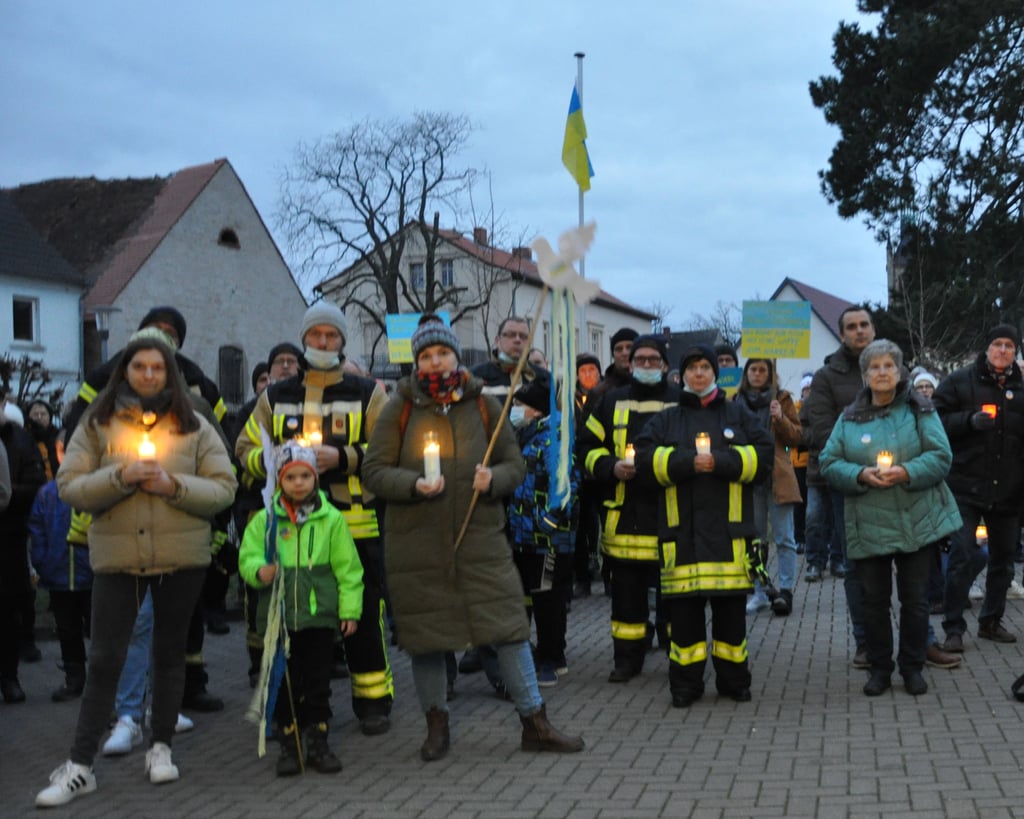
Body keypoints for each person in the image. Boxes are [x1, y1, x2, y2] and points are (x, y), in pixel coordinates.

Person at [362, 315, 583, 761]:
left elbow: (514, 464)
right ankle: (436, 727)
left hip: (481, 539)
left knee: (508, 629)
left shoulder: (482, 405)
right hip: (418, 544)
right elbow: (373, 471)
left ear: (456, 357)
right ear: (416, 362)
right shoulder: (400, 407)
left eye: (442, 353)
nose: (435, 361)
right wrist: (412, 485)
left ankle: (535, 724)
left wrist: (493, 478)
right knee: (428, 638)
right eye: (426, 355)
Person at [35, 330, 236, 808]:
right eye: (139, 366)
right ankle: (81, 765)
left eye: (158, 367)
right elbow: (70, 485)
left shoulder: (194, 423)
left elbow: (224, 486)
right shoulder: (98, 422)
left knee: (168, 655)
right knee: (105, 659)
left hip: (180, 556)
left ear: (169, 371)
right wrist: (121, 476)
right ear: (124, 370)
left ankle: (160, 747)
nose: (149, 374)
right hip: (118, 558)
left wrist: (174, 487)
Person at [237, 301, 394, 736]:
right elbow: (243, 450)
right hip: (289, 528)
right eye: (316, 335)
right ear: (304, 339)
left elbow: (386, 453)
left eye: (331, 336)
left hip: (353, 522)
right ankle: (291, 708)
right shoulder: (274, 397)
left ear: (342, 341)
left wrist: (341, 457)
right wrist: (279, 463)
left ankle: (373, 701)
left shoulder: (368, 392)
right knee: (291, 622)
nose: (323, 343)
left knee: (361, 616)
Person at [820, 339, 961, 696]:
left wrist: (906, 471)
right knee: (874, 602)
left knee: (914, 601)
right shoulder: (848, 418)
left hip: (914, 520)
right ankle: (880, 669)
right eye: (875, 367)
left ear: (900, 373)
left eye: (889, 366)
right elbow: (829, 462)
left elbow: (941, 456)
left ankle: (912, 667)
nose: (882, 372)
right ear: (865, 376)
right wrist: (859, 475)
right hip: (868, 522)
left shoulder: (920, 409)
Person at [635, 344, 772, 707]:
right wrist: (686, 463)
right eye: (692, 367)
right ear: (682, 376)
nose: (699, 373)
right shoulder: (667, 419)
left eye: (705, 367)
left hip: (729, 539)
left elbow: (765, 456)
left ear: (715, 373)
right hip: (681, 540)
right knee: (684, 626)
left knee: (731, 623)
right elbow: (645, 460)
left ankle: (734, 682)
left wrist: (723, 463)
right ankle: (685, 686)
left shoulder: (738, 414)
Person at [239, 442, 363, 776]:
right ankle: (289, 744)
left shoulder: (331, 519)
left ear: (315, 479)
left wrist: (349, 611)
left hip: (318, 617)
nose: (298, 483)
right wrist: (258, 571)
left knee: (318, 681)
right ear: (279, 480)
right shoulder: (266, 520)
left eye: (305, 476)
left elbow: (348, 569)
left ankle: (318, 740)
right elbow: (247, 556)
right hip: (279, 618)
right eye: (290, 476)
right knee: (286, 683)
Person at [577, 335, 679, 682]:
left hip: (671, 513)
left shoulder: (681, 403)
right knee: (626, 599)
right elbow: (586, 448)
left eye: (654, 360)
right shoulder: (609, 402)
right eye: (641, 360)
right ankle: (627, 660)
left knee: (676, 595)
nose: (647, 366)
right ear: (629, 364)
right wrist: (610, 466)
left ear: (665, 365)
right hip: (625, 515)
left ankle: (679, 657)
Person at [934, 324, 1024, 653]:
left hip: (1009, 490)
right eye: (997, 344)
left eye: (1009, 345)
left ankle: (990, 621)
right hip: (965, 486)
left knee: (1003, 561)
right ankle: (954, 627)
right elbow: (935, 420)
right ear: (986, 349)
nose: (1003, 350)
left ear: (1016, 352)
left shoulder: (1021, 386)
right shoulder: (960, 381)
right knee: (962, 554)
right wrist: (969, 421)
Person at [800, 305, 873, 668]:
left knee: (909, 567)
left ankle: (920, 639)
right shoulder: (828, 378)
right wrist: (862, 467)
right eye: (852, 327)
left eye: (865, 325)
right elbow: (826, 434)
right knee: (856, 566)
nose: (859, 331)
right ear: (842, 334)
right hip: (850, 485)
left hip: (897, 482)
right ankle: (866, 642)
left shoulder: (892, 365)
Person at [508, 377, 578, 686]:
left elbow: (565, 485)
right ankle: (540, 652)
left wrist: (545, 523)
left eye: (519, 405)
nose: (514, 410)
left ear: (536, 410)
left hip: (548, 541)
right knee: (532, 597)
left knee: (548, 599)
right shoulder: (528, 435)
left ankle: (553, 658)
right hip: (525, 538)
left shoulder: (553, 438)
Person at [734, 358, 803, 616]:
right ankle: (761, 590)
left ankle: (785, 591)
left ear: (771, 373)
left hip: (778, 477)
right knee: (755, 539)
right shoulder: (736, 402)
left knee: (785, 538)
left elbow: (795, 438)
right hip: (750, 477)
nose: (758, 374)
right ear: (746, 373)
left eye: (763, 370)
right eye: (753, 369)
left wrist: (781, 417)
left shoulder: (782, 399)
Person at [29, 479, 93, 702]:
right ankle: (74, 676)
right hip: (59, 573)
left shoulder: (94, 487)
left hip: (90, 574)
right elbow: (37, 527)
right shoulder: (48, 493)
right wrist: (43, 561)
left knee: (99, 627)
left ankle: (101, 680)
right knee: (67, 629)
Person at [0, 398, 47, 703]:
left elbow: (36, 481)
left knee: (6, 611)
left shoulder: (19, 439)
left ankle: (9, 677)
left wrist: (7, 493)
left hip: (8, 536)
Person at [572, 352, 603, 598]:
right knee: (581, 523)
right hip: (577, 469)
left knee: (602, 519)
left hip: (601, 470)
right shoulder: (568, 398)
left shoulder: (605, 396)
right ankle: (581, 577)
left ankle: (608, 574)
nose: (588, 375)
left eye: (592, 370)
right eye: (583, 371)